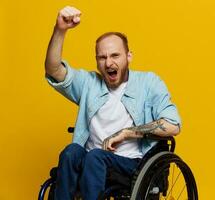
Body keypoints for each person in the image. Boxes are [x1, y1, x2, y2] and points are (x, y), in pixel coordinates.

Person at [45, 5, 181, 200]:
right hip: (92, 159)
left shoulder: (149, 83)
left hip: (130, 164)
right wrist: (60, 30)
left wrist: (126, 133)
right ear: (97, 61)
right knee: (71, 152)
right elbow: (53, 70)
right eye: (102, 57)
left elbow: (173, 125)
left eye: (115, 55)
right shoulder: (89, 83)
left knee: (95, 156)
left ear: (128, 56)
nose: (108, 63)